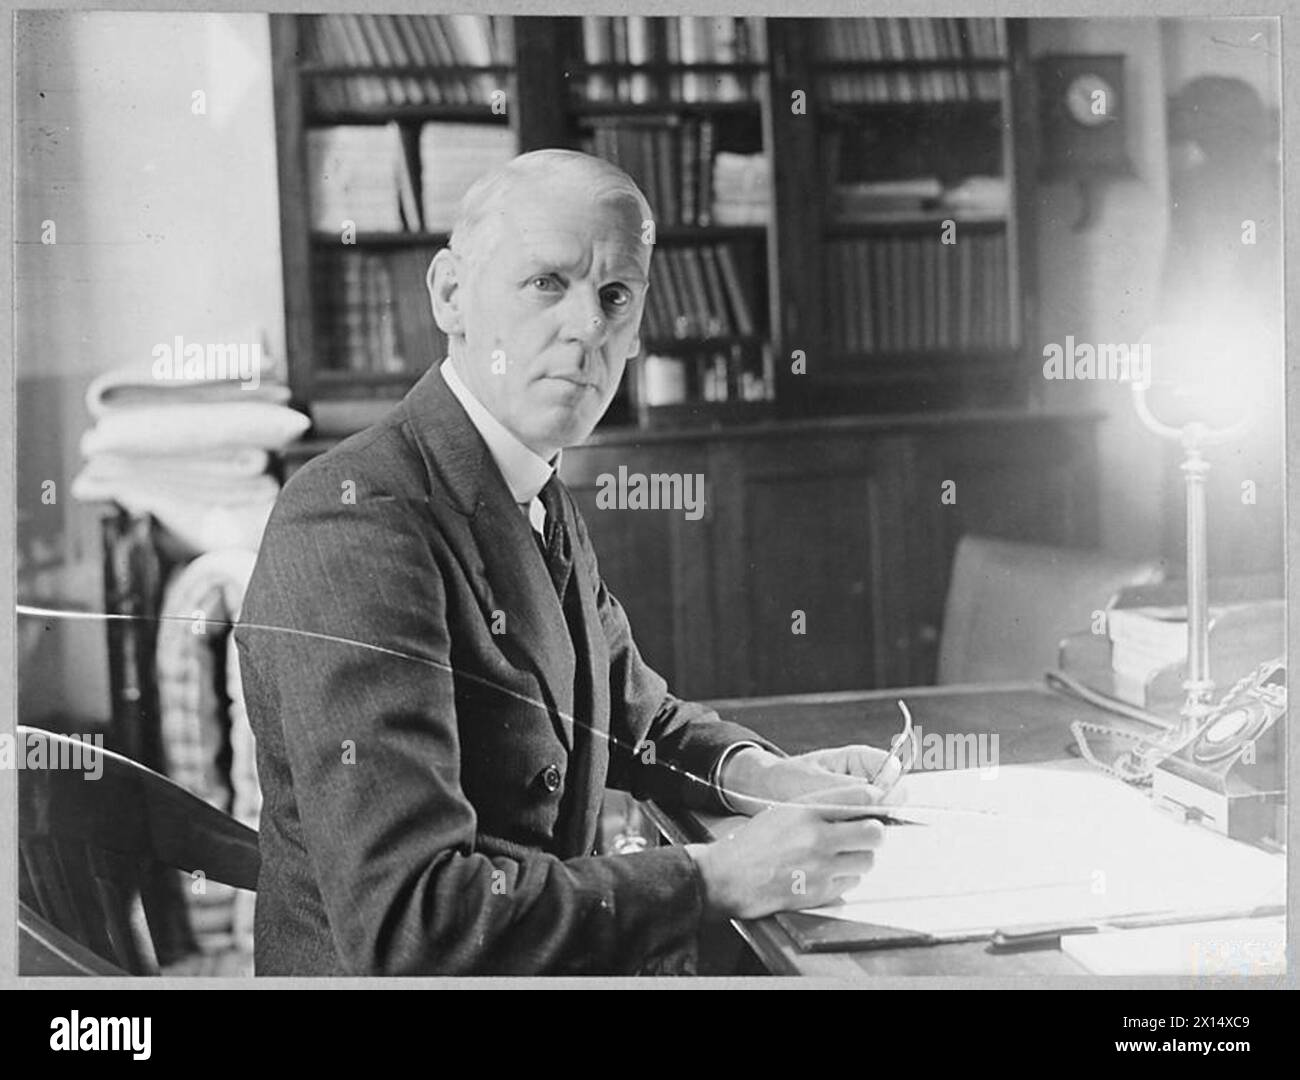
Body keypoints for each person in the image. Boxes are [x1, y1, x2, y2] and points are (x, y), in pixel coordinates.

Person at [234, 149, 901, 976]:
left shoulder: (524, 478)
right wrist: (715, 877)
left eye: (615, 295)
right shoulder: (355, 521)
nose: (589, 326)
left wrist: (763, 774)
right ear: (450, 295)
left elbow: (634, 720)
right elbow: (415, 922)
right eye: (547, 282)